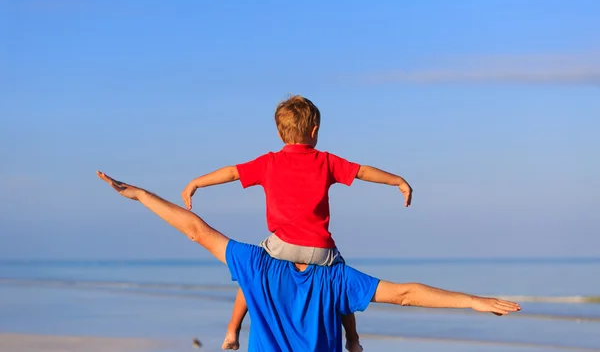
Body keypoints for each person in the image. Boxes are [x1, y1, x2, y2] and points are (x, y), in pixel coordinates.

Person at [97, 171, 521, 352]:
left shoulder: (256, 264)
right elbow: (406, 295)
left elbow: (195, 229)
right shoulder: (336, 276)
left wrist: (140, 195)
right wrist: (471, 300)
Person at [181, 96, 413, 351]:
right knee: (341, 284)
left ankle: (232, 331)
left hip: (281, 246)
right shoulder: (326, 161)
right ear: (314, 131)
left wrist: (196, 183)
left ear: (280, 133)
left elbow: (232, 172)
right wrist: (397, 181)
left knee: (252, 271)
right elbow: (363, 171)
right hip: (320, 251)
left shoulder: (268, 162)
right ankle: (353, 340)